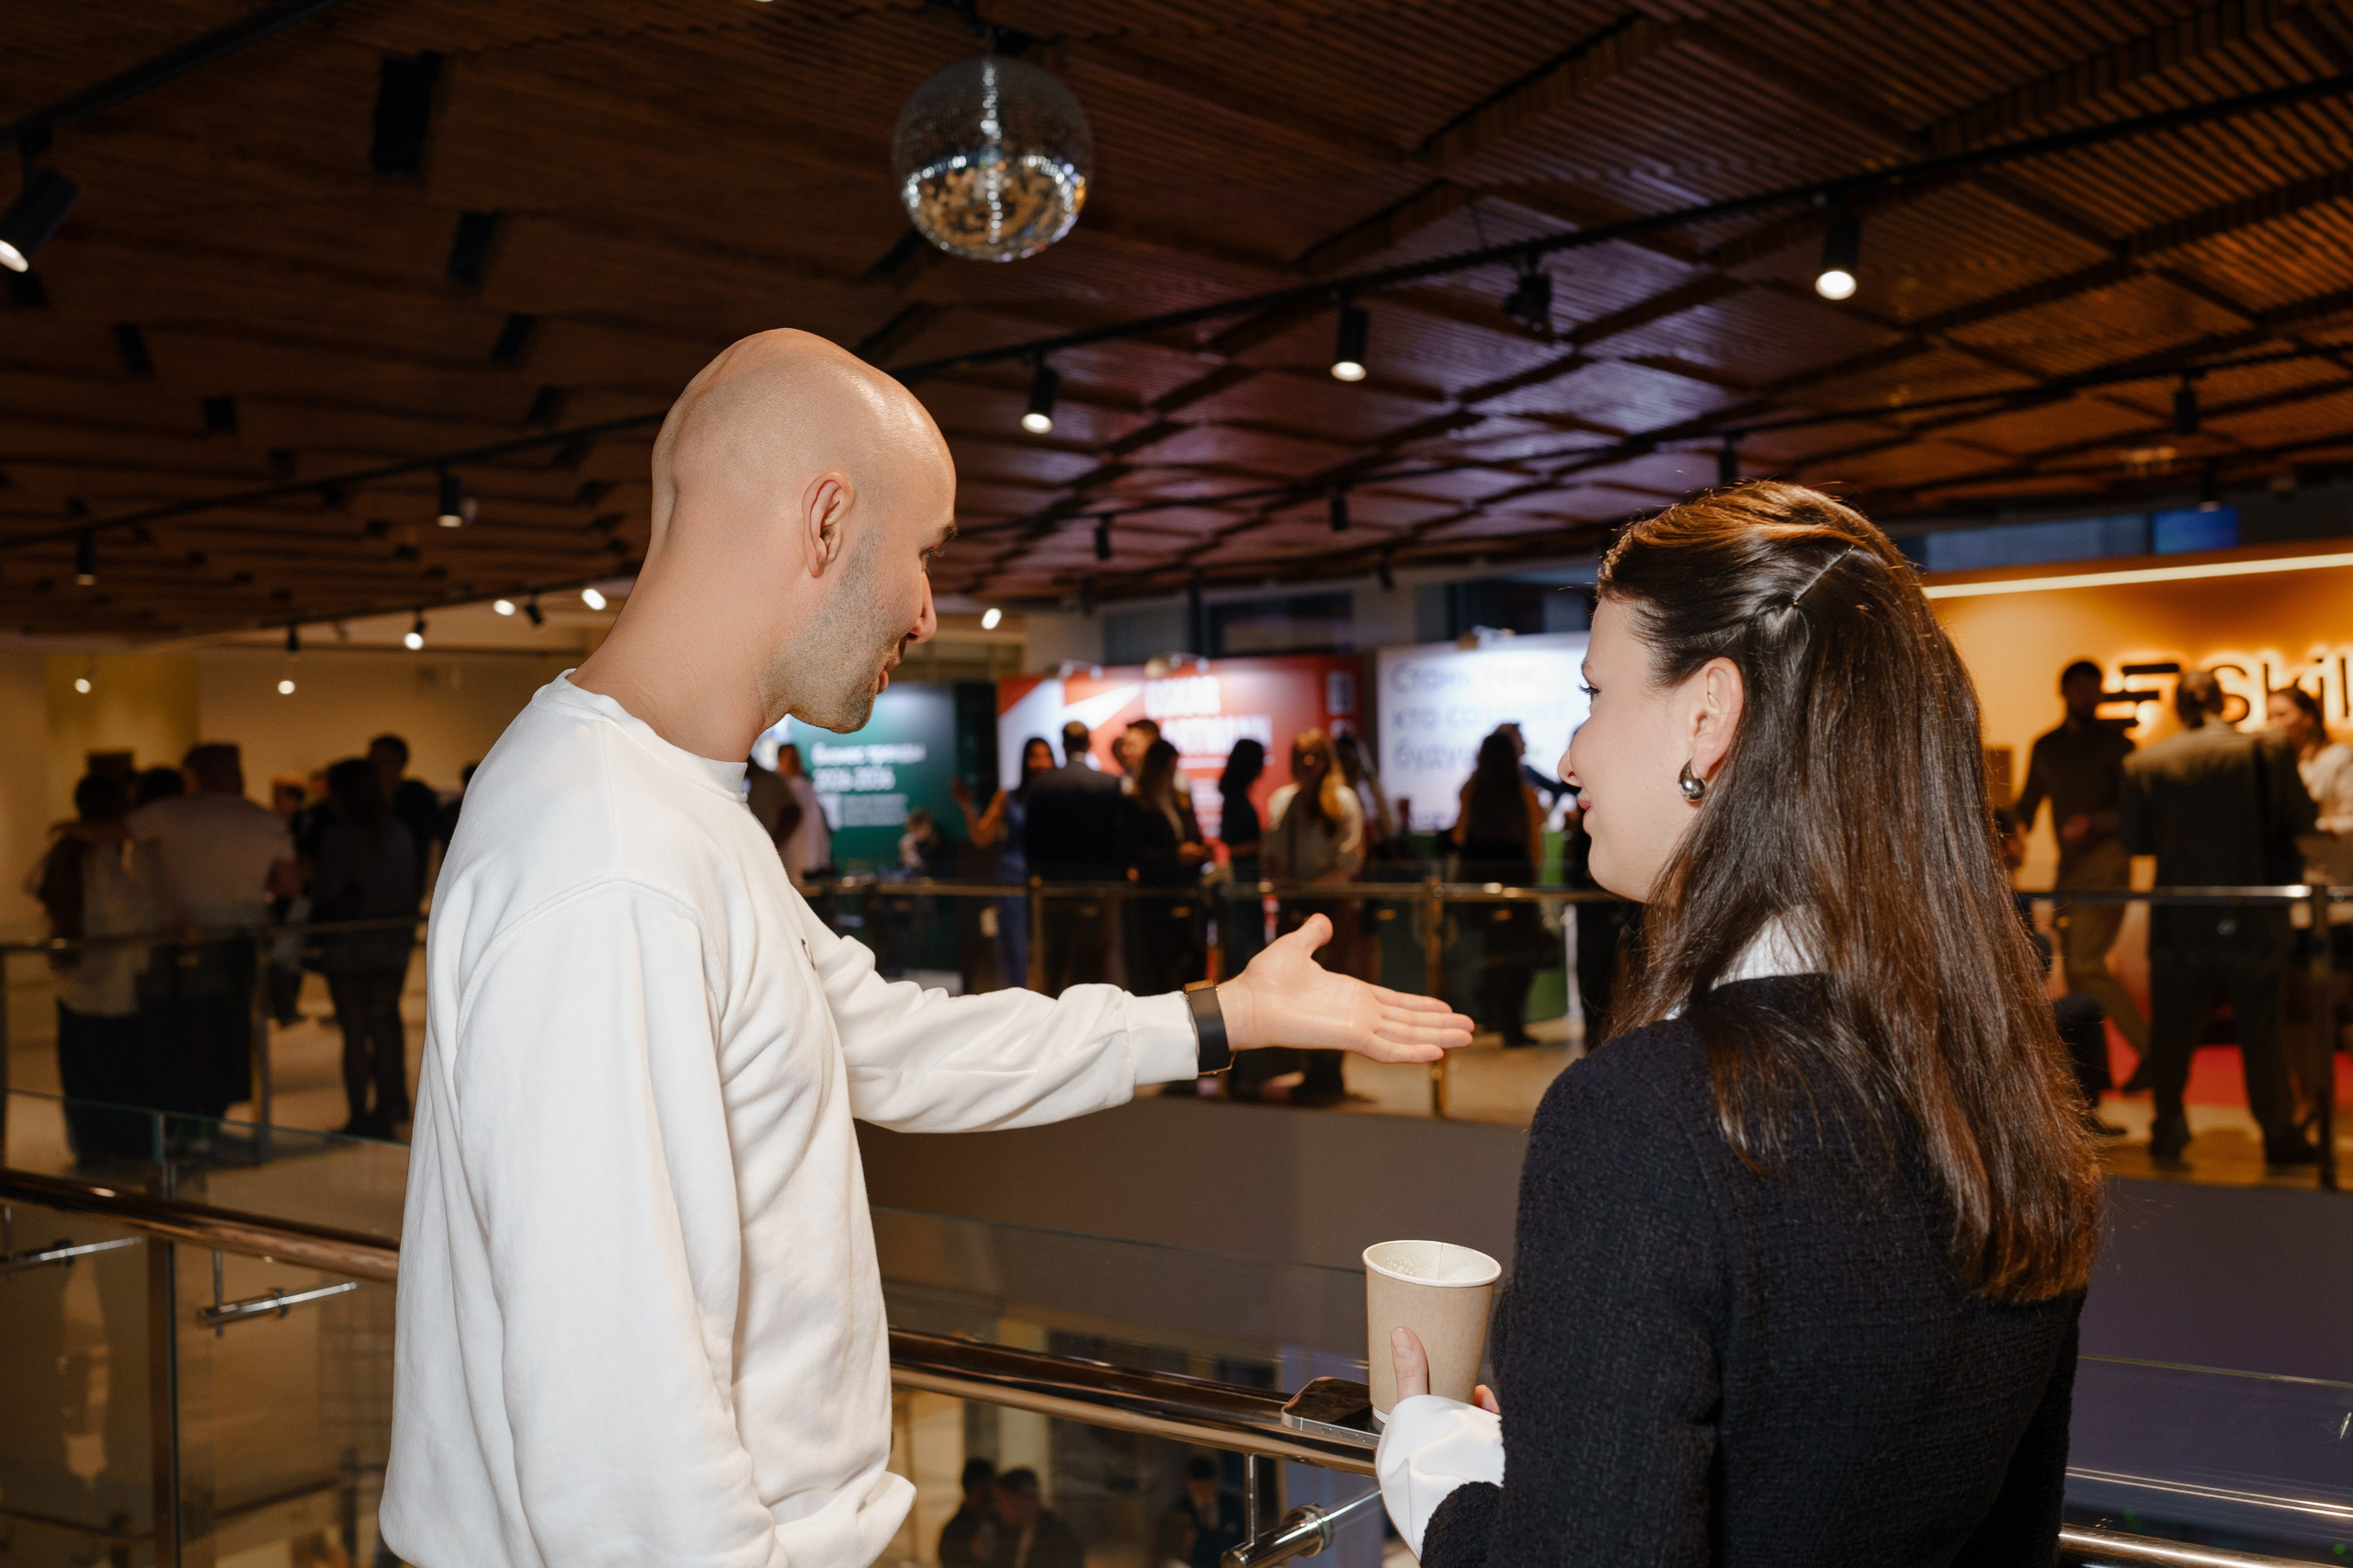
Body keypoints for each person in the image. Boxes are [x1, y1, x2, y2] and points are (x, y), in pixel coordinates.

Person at [380, 328, 1469, 1568]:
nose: (930, 607)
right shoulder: (610, 858)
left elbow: (886, 1041)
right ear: (828, 522)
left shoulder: (668, 810)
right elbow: (612, 1430)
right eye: (928, 551)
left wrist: (1223, 1016)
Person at [1376, 482, 2101, 1566]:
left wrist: (1439, 1472)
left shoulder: (1645, 1120)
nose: (1570, 758)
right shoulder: (2004, 1078)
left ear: (1708, 715)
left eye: (1594, 692)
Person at [2120, 669, 2318, 1165]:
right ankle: (2278, 1133)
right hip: (2250, 911)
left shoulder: (2145, 761)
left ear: (2180, 708)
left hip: (2179, 917)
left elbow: (2137, 841)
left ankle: (2167, 1131)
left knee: (2172, 1034)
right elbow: (2301, 819)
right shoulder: (2263, 751)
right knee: (2262, 1031)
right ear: (2223, 703)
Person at [127, 743, 300, 1119]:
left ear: (195, 774)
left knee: (175, 1032)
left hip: (181, 939)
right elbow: (287, 884)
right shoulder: (264, 820)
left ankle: (179, 1116)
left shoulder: (171, 813)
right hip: (243, 937)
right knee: (230, 1031)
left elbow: (120, 834)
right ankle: (212, 1116)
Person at [2013, 659, 2150, 1063]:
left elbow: (2137, 812)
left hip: (2108, 862)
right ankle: (2087, 1077)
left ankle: (2153, 1055)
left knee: (2087, 964)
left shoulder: (2118, 745)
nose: (2087, 698)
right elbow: (2027, 804)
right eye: (2079, 689)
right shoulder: (2047, 746)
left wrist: (2096, 821)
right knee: (2073, 971)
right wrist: (2004, 834)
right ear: (2065, 691)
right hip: (2068, 867)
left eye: (2094, 690)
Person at [30, 774, 156, 1161]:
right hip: (114, 984)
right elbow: (133, 907)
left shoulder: (62, 851)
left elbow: (34, 892)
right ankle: (122, 1144)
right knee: (119, 1070)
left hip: (72, 978)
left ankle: (91, 1144)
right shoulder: (101, 857)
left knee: (83, 1071)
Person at [1247, 729, 1366, 1105]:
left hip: (1329, 909)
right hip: (1292, 910)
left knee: (1330, 989)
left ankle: (1330, 1071)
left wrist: (1308, 885)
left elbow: (1348, 861)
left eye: (1315, 755)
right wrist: (1281, 880)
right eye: (1301, 755)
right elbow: (1271, 852)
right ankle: (1309, 1068)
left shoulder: (1343, 800)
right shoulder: (1284, 800)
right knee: (1294, 990)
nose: (1308, 763)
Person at [311, 757, 421, 1137]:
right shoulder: (399, 833)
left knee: (355, 1031)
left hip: (350, 943)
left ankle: (360, 1115)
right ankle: (390, 1109)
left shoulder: (340, 836)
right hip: (391, 941)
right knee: (387, 1024)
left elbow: (332, 891)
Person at [1452, 731, 1544, 1047]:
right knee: (1520, 955)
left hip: (1481, 881)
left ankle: (1491, 1011)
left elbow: (1460, 835)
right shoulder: (1523, 793)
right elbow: (1534, 843)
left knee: (1492, 951)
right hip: (1517, 879)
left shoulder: (1472, 790)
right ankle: (1511, 1022)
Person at [1024, 720, 1125, 993]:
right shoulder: (1108, 784)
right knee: (1093, 959)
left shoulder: (1043, 785)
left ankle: (1058, 1018)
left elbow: (1032, 838)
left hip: (1055, 884)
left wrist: (1036, 873)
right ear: (1089, 744)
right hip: (1099, 884)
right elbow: (1118, 836)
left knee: (1055, 958)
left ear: (1064, 745)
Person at [958, 736, 1056, 989]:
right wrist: (966, 806)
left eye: (1046, 755)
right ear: (1024, 761)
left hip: (1051, 878)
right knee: (1015, 949)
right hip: (1014, 879)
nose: (1041, 762)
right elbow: (981, 837)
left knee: (1052, 945)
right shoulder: (1009, 796)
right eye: (1034, 756)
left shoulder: (1059, 795)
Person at [1122, 737, 1211, 994]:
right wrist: (1174, 856)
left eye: (1174, 768)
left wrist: (1200, 852)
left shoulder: (1180, 799)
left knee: (1192, 967)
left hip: (1188, 892)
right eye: (1167, 768)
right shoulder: (1136, 803)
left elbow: (1195, 836)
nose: (1171, 774)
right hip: (1157, 899)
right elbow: (1133, 854)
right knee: (1159, 973)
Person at [369, 734, 447, 900]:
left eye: (375, 761)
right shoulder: (370, 801)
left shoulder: (416, 796)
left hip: (407, 891)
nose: (370, 767)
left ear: (396, 763)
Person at [1218, 739, 1268, 980]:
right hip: (1242, 875)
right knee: (1246, 942)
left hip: (1247, 874)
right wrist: (1265, 844)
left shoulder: (1237, 796)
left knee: (1249, 940)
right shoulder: (1235, 799)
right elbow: (1231, 844)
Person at [1154, 1456, 1245, 1568]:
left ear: (1215, 1483)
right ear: (1189, 1485)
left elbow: (1242, 1540)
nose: (1204, 1493)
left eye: (1208, 1486)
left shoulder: (1231, 1506)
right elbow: (1165, 1553)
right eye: (1198, 1488)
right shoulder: (1178, 1512)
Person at [991, 1469, 1083, 1568]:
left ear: (1026, 1498)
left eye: (1003, 1500)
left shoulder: (1057, 1538)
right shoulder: (1012, 1535)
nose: (999, 1508)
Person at [776, 743, 833, 883]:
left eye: (796, 756)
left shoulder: (805, 783)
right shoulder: (778, 785)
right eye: (789, 757)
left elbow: (816, 820)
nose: (794, 761)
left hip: (810, 854)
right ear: (780, 759)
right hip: (789, 853)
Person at [938, 1458, 998, 1568]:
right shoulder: (954, 1533)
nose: (996, 1491)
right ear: (978, 1487)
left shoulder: (998, 1520)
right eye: (992, 1483)